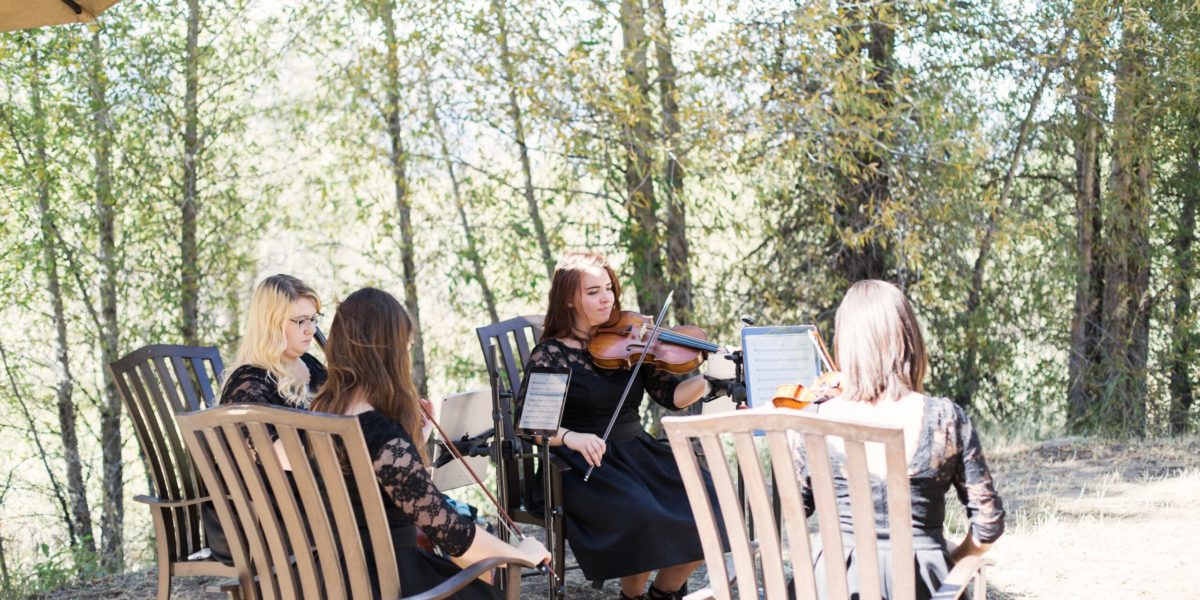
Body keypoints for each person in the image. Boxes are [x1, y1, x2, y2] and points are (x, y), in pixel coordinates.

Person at [311, 287, 549, 599]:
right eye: (406, 349)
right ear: (389, 353)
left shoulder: (318, 414)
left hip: (329, 576)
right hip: (387, 579)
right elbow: (451, 534)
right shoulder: (382, 435)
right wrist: (520, 553)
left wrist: (413, 444)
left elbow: (371, 488)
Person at [519, 251, 719, 600]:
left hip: (636, 451)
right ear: (569, 299)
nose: (606, 298)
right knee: (641, 514)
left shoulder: (632, 340)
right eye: (593, 291)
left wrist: (710, 381)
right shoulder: (552, 354)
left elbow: (671, 395)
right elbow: (533, 426)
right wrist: (573, 437)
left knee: (708, 501)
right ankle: (632, 596)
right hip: (583, 462)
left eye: (608, 288)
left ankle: (663, 593)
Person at [793, 279, 1005, 599]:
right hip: (925, 585)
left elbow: (794, 508)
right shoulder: (945, 419)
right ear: (910, 342)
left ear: (846, 345)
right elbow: (988, 525)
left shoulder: (813, 421)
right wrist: (952, 556)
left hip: (831, 586)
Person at [203, 274, 328, 565]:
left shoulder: (308, 364)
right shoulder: (248, 382)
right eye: (300, 321)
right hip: (269, 518)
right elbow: (281, 459)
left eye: (314, 319)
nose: (310, 330)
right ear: (271, 323)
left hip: (308, 499)